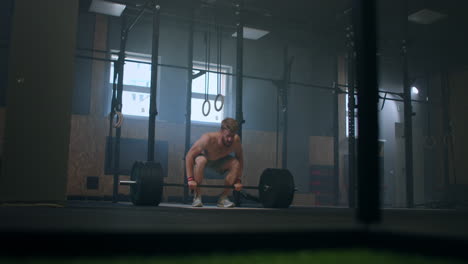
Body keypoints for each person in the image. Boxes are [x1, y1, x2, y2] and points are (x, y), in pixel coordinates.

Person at [185, 118, 243, 208]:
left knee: (235, 163)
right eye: (228, 136)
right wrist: (190, 179)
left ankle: (223, 198)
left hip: (219, 163)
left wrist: (238, 180)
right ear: (221, 131)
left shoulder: (236, 141)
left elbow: (240, 158)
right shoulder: (208, 139)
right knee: (201, 160)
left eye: (232, 135)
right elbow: (189, 156)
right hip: (205, 160)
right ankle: (197, 196)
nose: (230, 139)